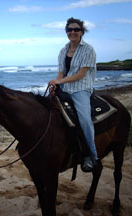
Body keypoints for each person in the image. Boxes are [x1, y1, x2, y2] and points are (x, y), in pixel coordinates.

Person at [48, 17, 98, 171]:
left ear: (82, 32)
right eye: (70, 30)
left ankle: (92, 155)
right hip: (65, 87)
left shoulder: (88, 50)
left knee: (84, 120)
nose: (73, 32)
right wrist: (55, 84)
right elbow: (61, 72)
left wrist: (60, 82)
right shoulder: (63, 50)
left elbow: (81, 74)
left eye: (76, 29)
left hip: (81, 88)